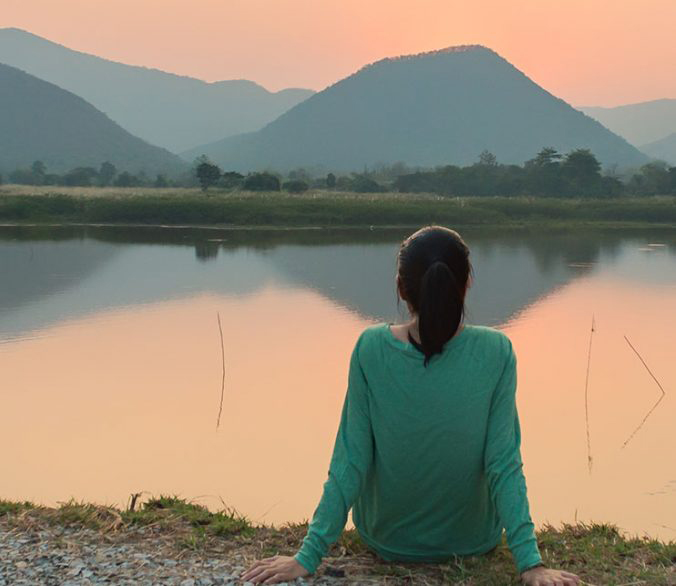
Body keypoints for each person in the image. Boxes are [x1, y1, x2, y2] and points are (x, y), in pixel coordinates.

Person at [242, 226, 580, 586]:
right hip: (471, 541)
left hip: (386, 539)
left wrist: (306, 557)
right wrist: (531, 564)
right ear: (465, 285)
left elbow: (351, 458)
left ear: (401, 288)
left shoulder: (370, 348)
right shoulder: (496, 351)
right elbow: (503, 462)